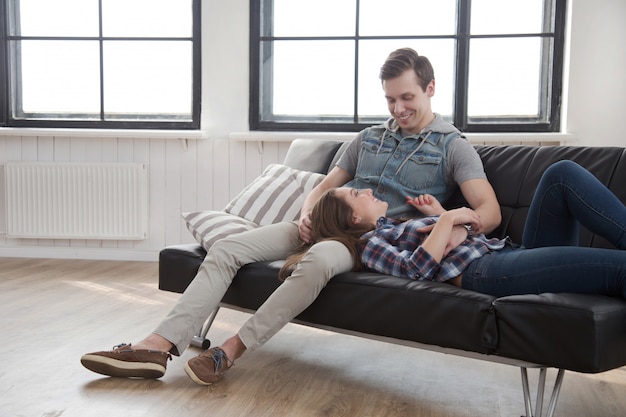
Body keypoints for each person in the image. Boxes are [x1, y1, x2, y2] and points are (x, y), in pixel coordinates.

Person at [80, 47, 501, 385]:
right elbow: (322, 186)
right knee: (227, 248)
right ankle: (159, 344)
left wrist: (453, 219)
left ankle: (228, 352)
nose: (397, 109)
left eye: (407, 98)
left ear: (430, 88)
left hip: (368, 242)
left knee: (319, 259)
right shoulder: (367, 138)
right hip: (323, 224)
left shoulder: (452, 147)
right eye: (390, 99)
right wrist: (307, 214)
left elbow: (491, 212)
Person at [291, 160, 626, 299]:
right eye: (355, 194)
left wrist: (452, 224)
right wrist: (450, 219)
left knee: (560, 174)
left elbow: (469, 229)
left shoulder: (393, 224)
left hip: (505, 251)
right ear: (352, 219)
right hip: (488, 270)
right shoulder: (369, 244)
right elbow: (415, 270)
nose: (365, 190)